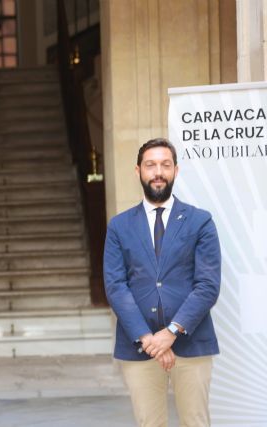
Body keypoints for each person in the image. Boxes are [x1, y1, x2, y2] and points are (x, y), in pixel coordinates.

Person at [103, 138, 221, 426]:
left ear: (176, 171)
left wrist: (171, 332)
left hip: (191, 343)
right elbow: (116, 286)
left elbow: (207, 285)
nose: (158, 172)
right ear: (138, 171)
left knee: (196, 422)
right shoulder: (119, 225)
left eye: (165, 165)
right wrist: (148, 339)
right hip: (139, 346)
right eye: (151, 165)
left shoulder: (200, 221)